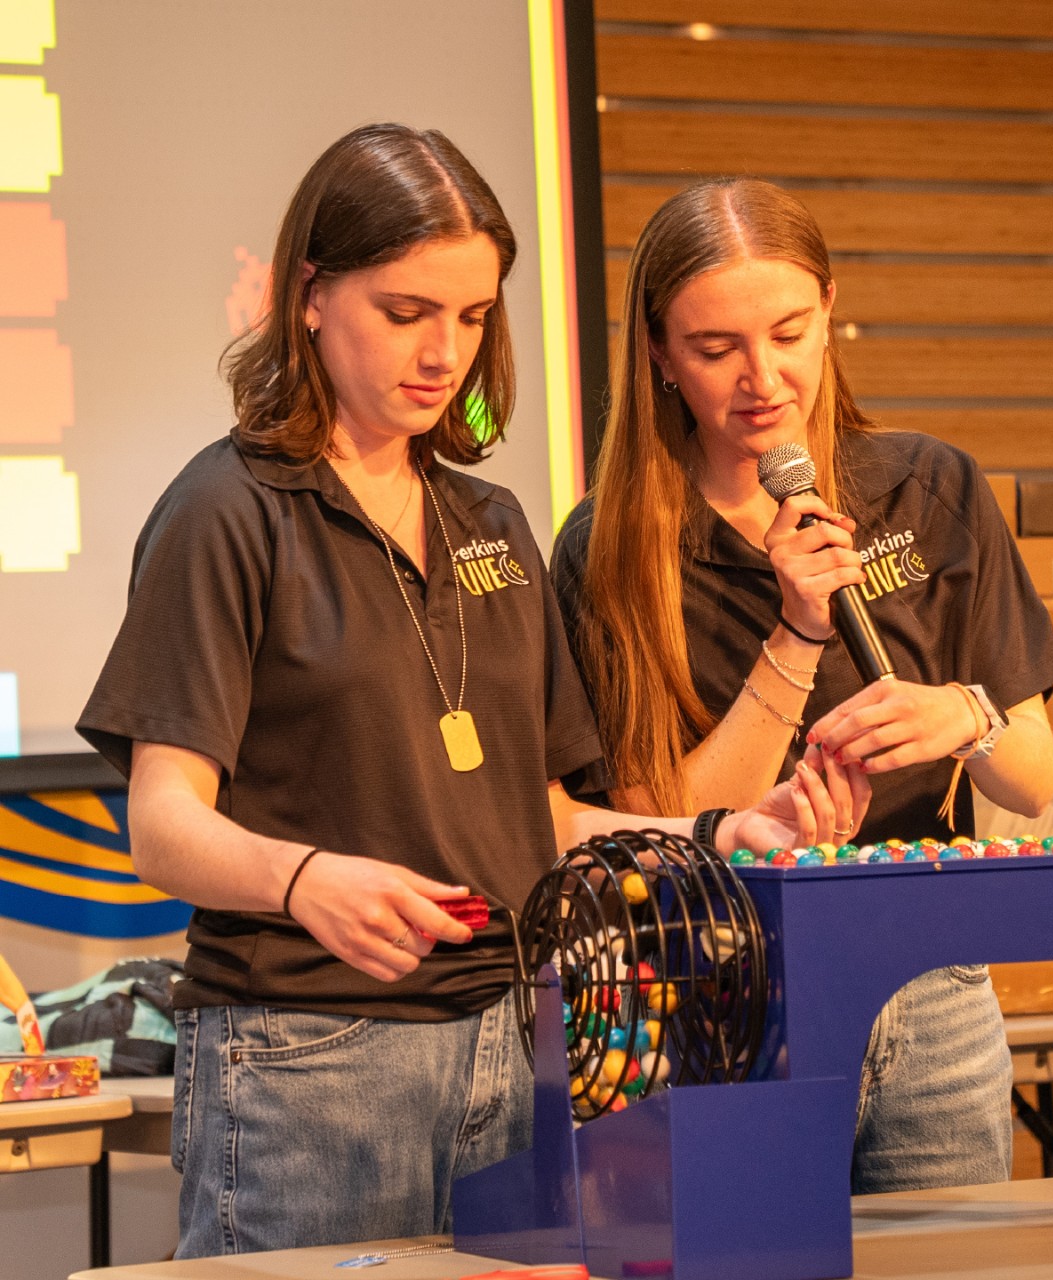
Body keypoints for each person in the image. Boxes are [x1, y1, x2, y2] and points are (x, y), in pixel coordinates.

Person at [76, 129, 858, 1257]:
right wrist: (302, 879)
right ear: (308, 294)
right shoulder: (229, 511)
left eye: (474, 315)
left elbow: (537, 820)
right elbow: (164, 823)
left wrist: (714, 828)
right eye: (405, 313)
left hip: (508, 1043)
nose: (442, 352)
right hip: (308, 1057)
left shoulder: (487, 520)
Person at [551, 176, 1053, 1194]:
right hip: (723, 993)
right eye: (714, 350)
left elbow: (1033, 774)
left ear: (829, 307)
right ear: (656, 351)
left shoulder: (929, 487)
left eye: (788, 331)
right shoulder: (607, 551)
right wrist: (792, 632)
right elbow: (659, 819)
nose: (762, 377)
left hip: (932, 981)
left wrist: (958, 714)